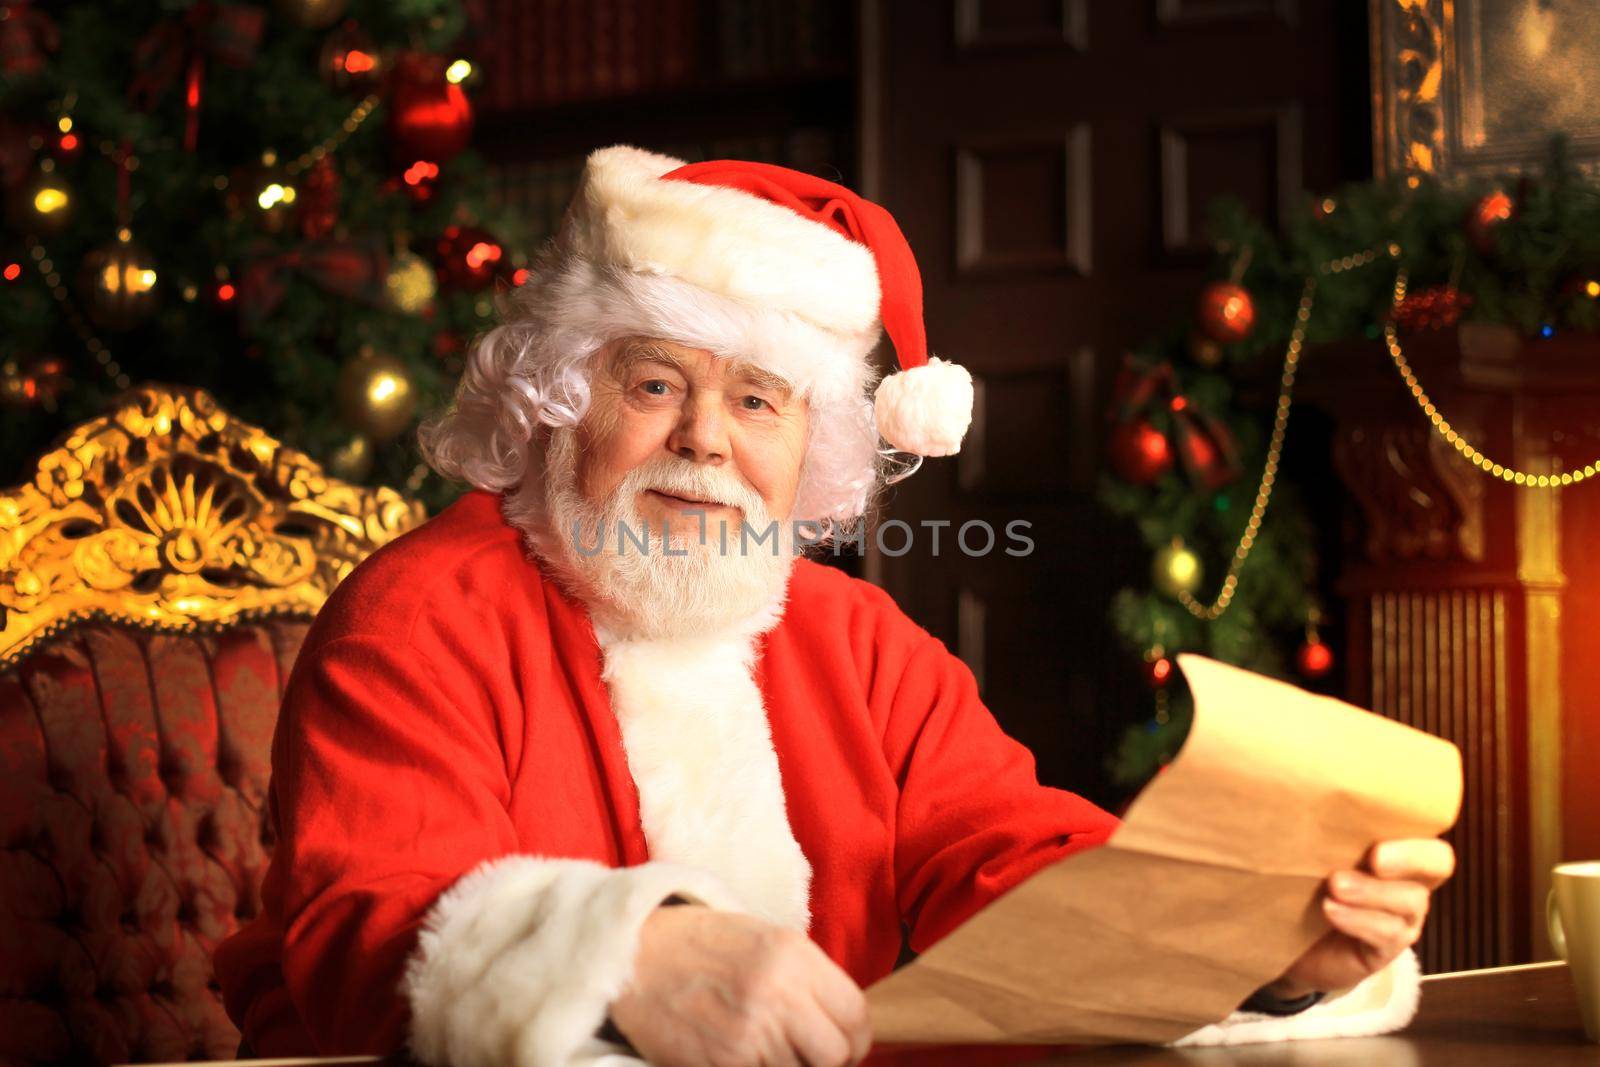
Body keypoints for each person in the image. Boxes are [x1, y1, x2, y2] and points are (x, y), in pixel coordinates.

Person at [214, 146, 1455, 1067]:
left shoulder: (861, 642)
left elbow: (1014, 866)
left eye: (759, 399)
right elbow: (367, 932)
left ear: (814, 446)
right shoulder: (419, 612)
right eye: (654, 382)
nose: (703, 439)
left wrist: (1252, 944)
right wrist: (618, 952)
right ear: (558, 399)